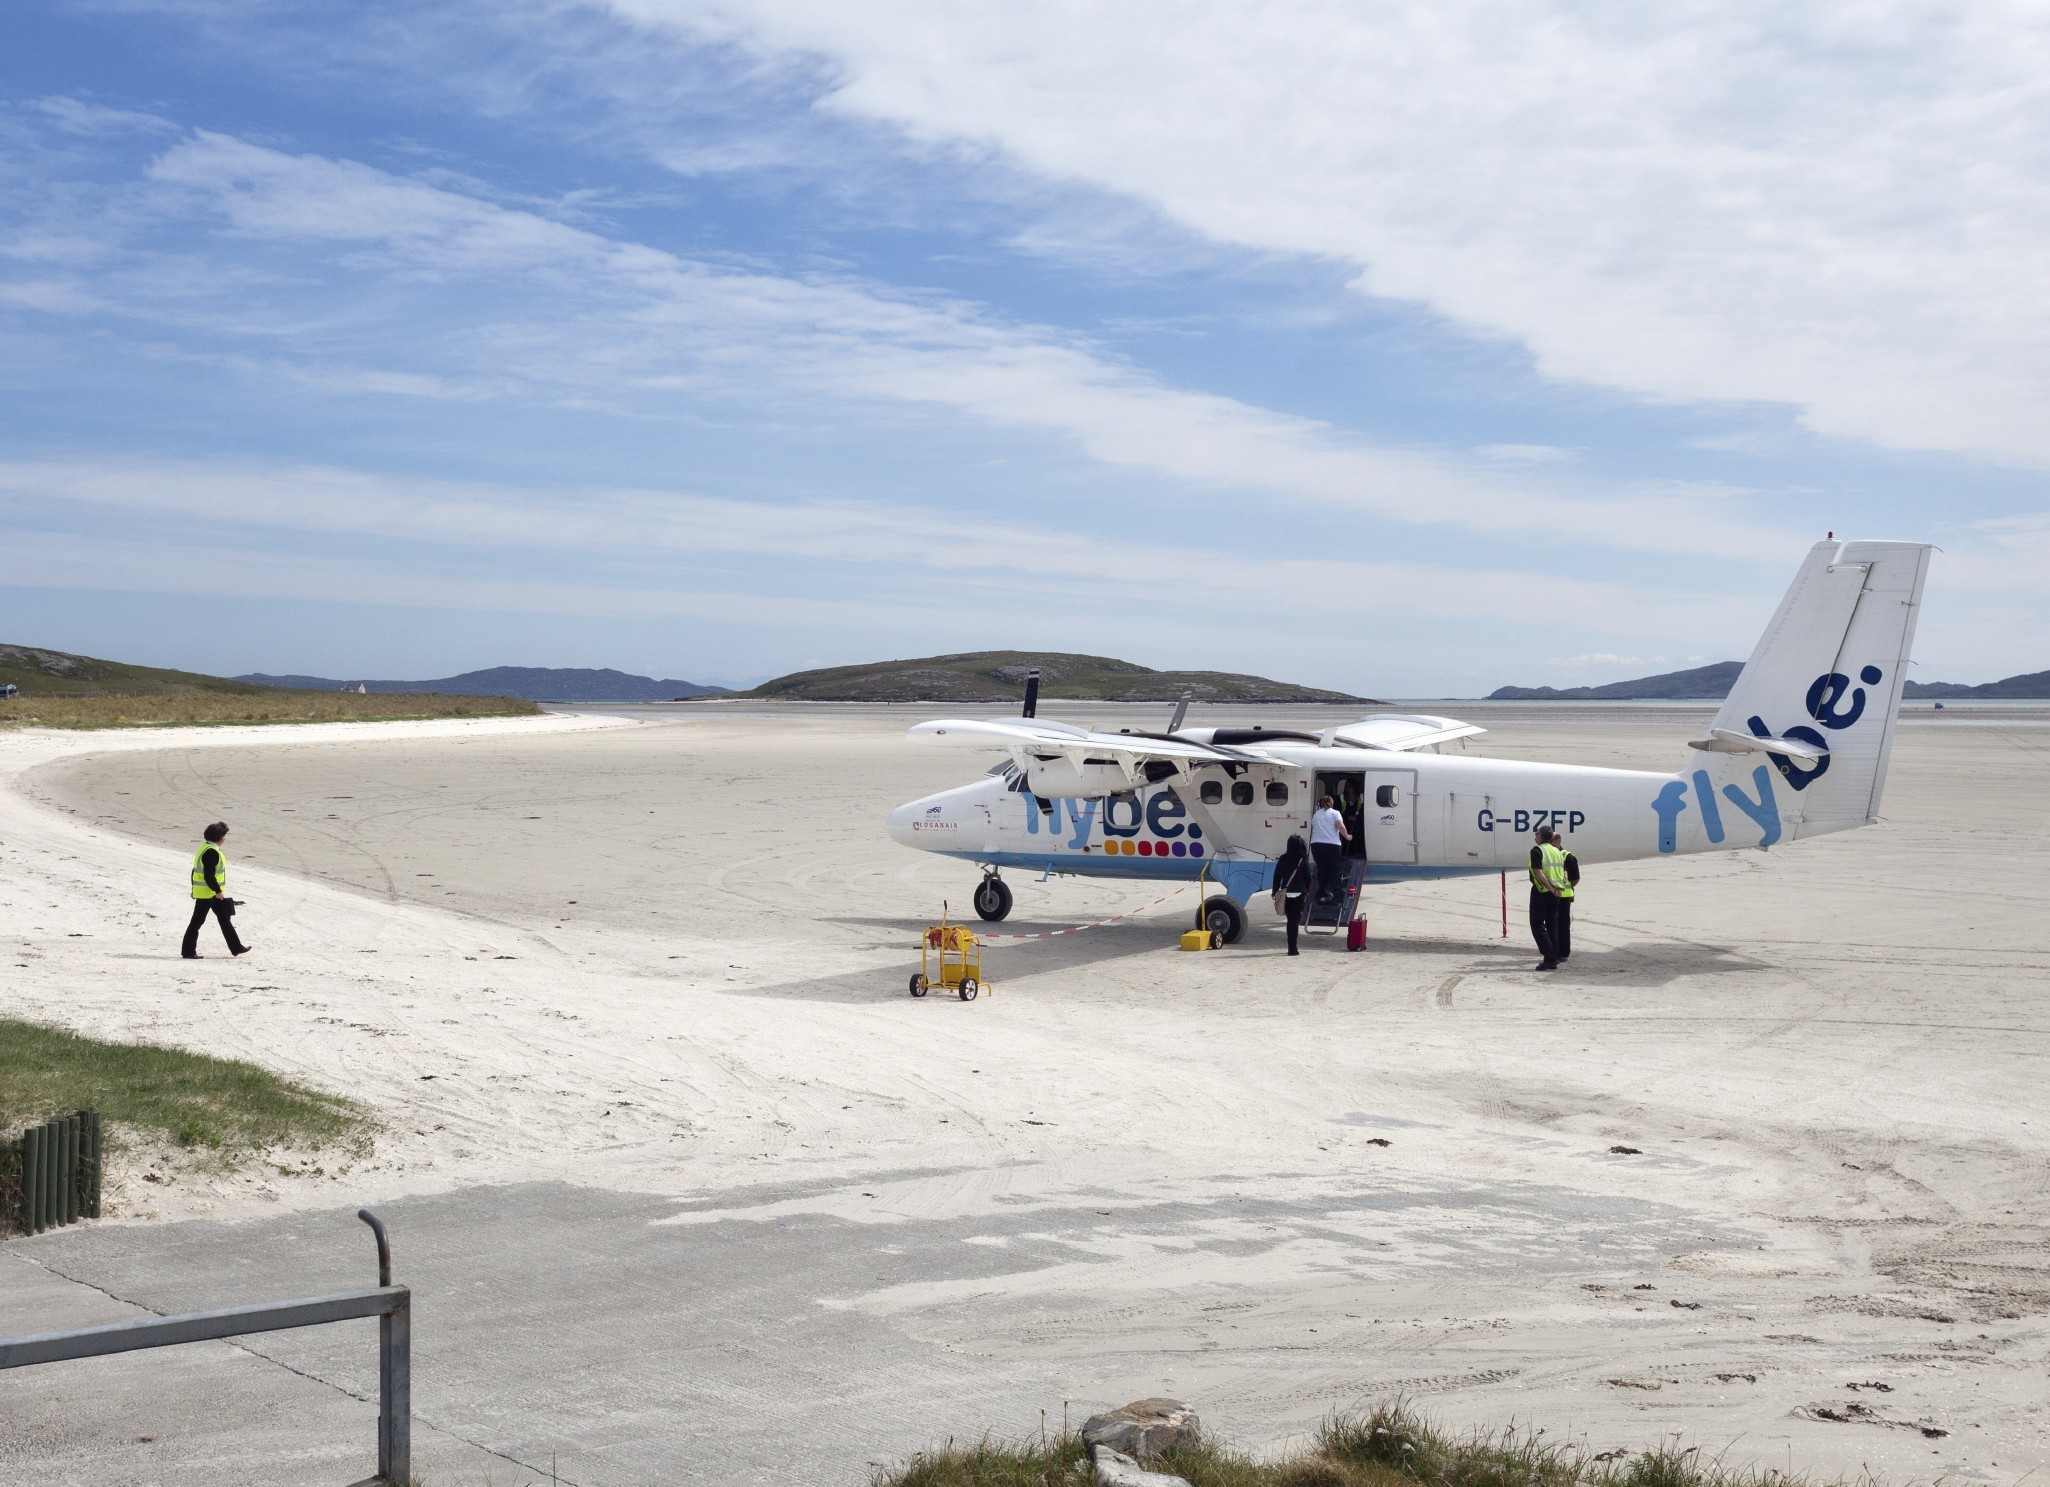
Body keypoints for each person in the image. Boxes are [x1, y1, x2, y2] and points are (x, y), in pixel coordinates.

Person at [182, 821, 250, 959]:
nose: (224, 839)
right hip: (209, 894)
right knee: (197, 922)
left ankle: (236, 947)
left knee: (224, 919)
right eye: (223, 836)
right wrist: (218, 891)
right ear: (219, 838)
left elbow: (195, 871)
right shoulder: (211, 852)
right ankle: (188, 952)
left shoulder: (205, 847)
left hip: (208, 892)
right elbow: (209, 876)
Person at [1527, 824, 1567, 971]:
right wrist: (1557, 889)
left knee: (1536, 924)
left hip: (1542, 891)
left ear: (1542, 836)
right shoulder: (1557, 851)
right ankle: (1554, 956)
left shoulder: (1537, 850)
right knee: (1552, 925)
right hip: (1556, 893)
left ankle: (1549, 956)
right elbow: (1562, 872)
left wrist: (1550, 888)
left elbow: (1538, 872)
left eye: (1537, 834)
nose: (1535, 836)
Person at [1271, 835, 1311, 955]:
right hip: (1300, 892)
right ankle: (1293, 948)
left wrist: (1274, 891)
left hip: (1286, 893)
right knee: (1295, 920)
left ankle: (1291, 948)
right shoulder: (1302, 859)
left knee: (1290, 921)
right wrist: (1308, 891)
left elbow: (1277, 876)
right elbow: (1307, 877)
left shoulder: (1283, 859)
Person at [1309, 794, 1351, 903]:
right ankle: (1329, 888)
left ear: (1321, 804)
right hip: (1332, 845)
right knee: (1335, 868)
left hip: (1316, 845)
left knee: (1322, 869)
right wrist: (1347, 837)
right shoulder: (1335, 813)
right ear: (1332, 804)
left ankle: (1322, 893)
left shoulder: (1316, 815)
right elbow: (1340, 826)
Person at [1550, 828, 1579, 962]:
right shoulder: (1549, 854)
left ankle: (1563, 952)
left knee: (1562, 925)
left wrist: (1567, 888)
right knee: (1552, 924)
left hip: (1564, 896)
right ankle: (1554, 950)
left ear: (1557, 841)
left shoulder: (1568, 856)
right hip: (1552, 895)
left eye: (1550, 841)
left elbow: (1575, 878)